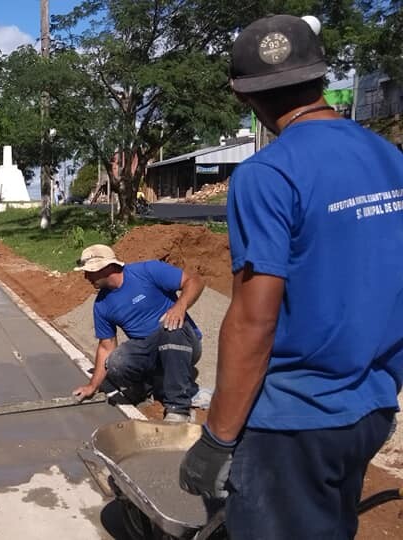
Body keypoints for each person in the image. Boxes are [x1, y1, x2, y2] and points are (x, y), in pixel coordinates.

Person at [179, 15, 403, 539]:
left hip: (294, 421)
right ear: (323, 77)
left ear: (242, 95)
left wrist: (217, 439)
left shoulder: (267, 174)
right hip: (370, 408)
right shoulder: (389, 158)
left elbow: (253, 322)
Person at [71, 244, 204, 422]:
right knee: (116, 362)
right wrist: (92, 386)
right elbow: (106, 347)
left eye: (90, 271)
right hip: (148, 350)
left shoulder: (148, 270)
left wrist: (180, 306)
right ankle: (146, 387)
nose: (86, 276)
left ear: (107, 267)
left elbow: (195, 281)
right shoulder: (102, 305)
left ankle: (179, 408)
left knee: (169, 326)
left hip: (182, 341)